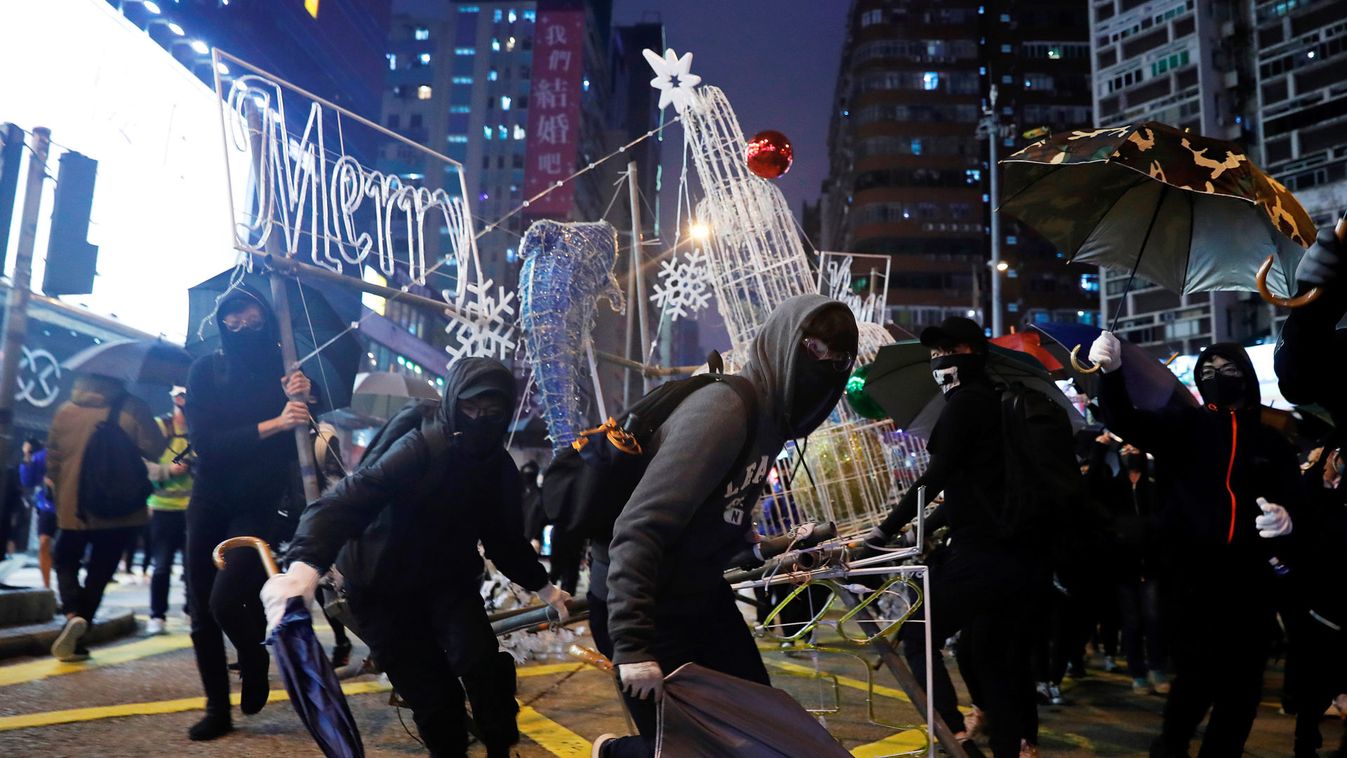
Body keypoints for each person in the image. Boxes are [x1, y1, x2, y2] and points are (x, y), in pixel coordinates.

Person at [590, 294, 859, 758]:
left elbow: (718, 511)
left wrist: (750, 545)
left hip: (702, 598)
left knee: (763, 735)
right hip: (651, 608)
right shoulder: (726, 409)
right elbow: (639, 528)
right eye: (815, 350)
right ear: (785, 341)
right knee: (687, 748)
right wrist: (633, 645)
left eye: (838, 360)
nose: (824, 367)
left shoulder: (774, 423)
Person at [264, 357, 571, 758]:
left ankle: (500, 747)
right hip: (382, 582)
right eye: (470, 408)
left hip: (448, 579)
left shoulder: (498, 468)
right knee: (433, 696)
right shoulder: (422, 447)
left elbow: (504, 539)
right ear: (452, 403)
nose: (480, 420)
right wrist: (303, 569)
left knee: (481, 664)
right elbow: (348, 501)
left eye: (492, 413)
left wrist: (546, 588)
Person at [1088, 332, 1303, 757]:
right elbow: (1125, 420)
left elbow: (1296, 498)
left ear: (1245, 376)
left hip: (1250, 583)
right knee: (1194, 680)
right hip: (1192, 580)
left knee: (1242, 691)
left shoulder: (1273, 438)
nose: (1217, 377)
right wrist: (1109, 375)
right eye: (1207, 371)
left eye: (1227, 370)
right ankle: (1170, 747)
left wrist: (1288, 519)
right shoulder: (1183, 427)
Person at [867, 316, 1040, 758]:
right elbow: (971, 486)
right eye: (935, 354)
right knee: (990, 660)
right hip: (1014, 554)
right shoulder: (995, 403)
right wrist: (933, 524)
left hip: (982, 554)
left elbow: (935, 477)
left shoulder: (967, 404)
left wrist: (883, 531)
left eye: (948, 352)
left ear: (971, 353)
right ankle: (1005, 748)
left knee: (919, 633)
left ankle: (953, 735)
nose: (939, 361)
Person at [184, 284, 310, 741]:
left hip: (260, 505)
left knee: (226, 599)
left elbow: (305, 442)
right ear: (221, 323)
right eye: (231, 318)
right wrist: (277, 422)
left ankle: (254, 655)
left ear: (267, 317)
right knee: (201, 606)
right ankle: (217, 707)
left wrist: (304, 397)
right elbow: (207, 446)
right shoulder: (206, 370)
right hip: (210, 499)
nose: (241, 325)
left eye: (251, 315)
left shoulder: (288, 372)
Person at [45, 373, 164, 661]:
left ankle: (73, 611)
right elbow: (155, 448)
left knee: (65, 558)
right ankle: (81, 624)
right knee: (100, 571)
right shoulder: (133, 407)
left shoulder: (65, 411)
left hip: (74, 506)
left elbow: (53, 461)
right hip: (119, 507)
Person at [1087, 436, 1169, 695]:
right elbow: (1091, 486)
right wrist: (1100, 447)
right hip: (1124, 567)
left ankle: (1157, 668)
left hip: (1151, 565)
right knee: (1132, 623)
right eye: (1126, 449)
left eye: (1135, 448)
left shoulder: (1154, 486)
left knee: (1154, 620)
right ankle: (1138, 673)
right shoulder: (1114, 487)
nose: (1130, 452)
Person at [144, 386, 193, 636]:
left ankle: (190, 609)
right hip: (162, 508)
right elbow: (142, 461)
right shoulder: (159, 426)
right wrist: (167, 471)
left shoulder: (199, 426)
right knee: (161, 566)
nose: (182, 397)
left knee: (191, 565)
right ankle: (157, 615)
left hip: (192, 509)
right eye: (178, 392)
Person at [19, 438, 56, 589]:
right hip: (48, 505)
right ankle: (46, 585)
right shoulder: (41, 457)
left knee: (64, 550)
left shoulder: (75, 454)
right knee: (44, 542)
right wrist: (27, 456)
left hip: (71, 506)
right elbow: (27, 481)